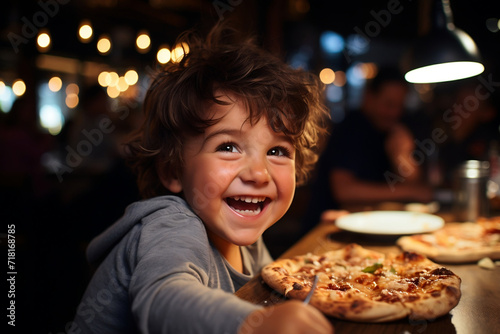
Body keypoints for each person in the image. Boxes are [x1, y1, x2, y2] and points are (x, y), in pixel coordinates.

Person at [71, 26, 334, 334]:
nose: (258, 174)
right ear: (172, 171)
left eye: (277, 150)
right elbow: (163, 300)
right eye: (228, 147)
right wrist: (252, 325)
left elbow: (277, 290)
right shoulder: (171, 225)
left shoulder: (244, 233)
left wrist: (328, 241)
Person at [303, 67, 432, 230]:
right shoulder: (350, 128)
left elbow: (416, 185)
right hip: (328, 227)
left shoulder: (394, 129)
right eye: (389, 104)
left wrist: (402, 157)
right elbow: (344, 191)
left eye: (400, 106)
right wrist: (408, 191)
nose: (395, 113)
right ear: (368, 98)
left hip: (371, 224)